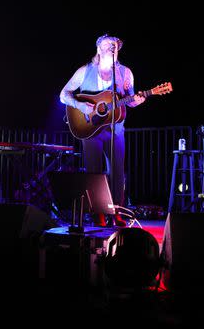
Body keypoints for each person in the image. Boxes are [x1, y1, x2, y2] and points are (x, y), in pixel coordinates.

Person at [60, 34, 145, 227]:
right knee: (94, 172)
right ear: (98, 49)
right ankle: (97, 213)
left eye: (114, 45)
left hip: (115, 129)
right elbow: (63, 94)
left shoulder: (125, 73)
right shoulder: (85, 71)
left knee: (117, 172)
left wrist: (137, 100)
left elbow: (130, 101)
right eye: (107, 45)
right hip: (89, 128)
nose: (111, 48)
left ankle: (117, 212)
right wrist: (81, 107)